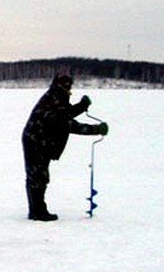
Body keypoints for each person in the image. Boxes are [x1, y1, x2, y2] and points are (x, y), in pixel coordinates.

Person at [21, 74, 108, 221]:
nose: (69, 89)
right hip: (36, 141)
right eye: (67, 85)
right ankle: (37, 211)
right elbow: (67, 124)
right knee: (37, 177)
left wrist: (81, 106)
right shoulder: (54, 99)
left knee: (40, 177)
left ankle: (37, 210)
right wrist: (96, 129)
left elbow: (66, 113)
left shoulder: (57, 96)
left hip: (42, 141)